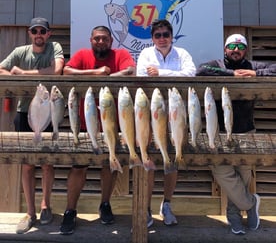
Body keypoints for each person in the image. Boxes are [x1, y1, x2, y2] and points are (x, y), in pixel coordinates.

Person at [196, 33, 276, 235]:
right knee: (221, 171)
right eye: (231, 46)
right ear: (225, 49)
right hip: (219, 133)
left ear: (246, 50)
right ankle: (250, 203)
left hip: (246, 131)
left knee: (243, 176)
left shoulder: (252, 66)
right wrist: (231, 76)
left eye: (240, 47)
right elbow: (202, 70)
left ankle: (234, 217)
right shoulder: (216, 64)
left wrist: (255, 75)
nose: (235, 50)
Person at [60, 25, 135, 235]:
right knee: (78, 169)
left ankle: (105, 204)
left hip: (112, 127)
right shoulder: (82, 55)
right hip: (84, 127)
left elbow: (130, 70)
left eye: (104, 39)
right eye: (97, 39)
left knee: (109, 167)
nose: (100, 42)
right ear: (91, 40)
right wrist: (96, 73)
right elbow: (66, 70)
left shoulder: (120, 54)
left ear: (111, 41)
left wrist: (107, 79)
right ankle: (70, 210)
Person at [0, 17, 64, 234]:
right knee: (27, 164)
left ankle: (46, 205)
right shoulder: (20, 51)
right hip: (24, 113)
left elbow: (57, 71)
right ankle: (30, 211)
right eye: (34, 30)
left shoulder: (54, 47)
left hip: (48, 114)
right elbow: (1, 69)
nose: (38, 34)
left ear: (48, 34)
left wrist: (22, 73)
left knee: (47, 163)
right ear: (29, 33)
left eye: (42, 31)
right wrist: (15, 77)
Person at [136, 19, 196, 227]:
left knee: (172, 160)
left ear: (172, 36)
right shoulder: (146, 55)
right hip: (151, 114)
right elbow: (142, 78)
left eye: (165, 35)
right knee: (150, 161)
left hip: (177, 114)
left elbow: (190, 74)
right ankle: (146, 208)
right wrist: (171, 77)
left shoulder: (183, 54)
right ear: (152, 38)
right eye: (157, 35)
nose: (162, 39)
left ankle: (167, 204)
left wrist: (162, 73)